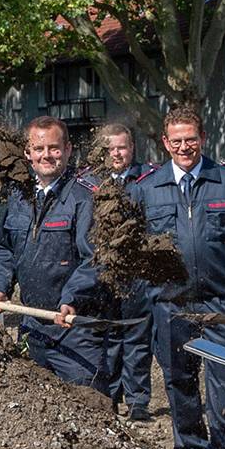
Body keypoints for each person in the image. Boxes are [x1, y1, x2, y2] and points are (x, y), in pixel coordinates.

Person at [136, 108, 225, 449]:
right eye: (176, 140)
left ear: (203, 138)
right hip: (171, 305)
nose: (184, 146)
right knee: (180, 381)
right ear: (165, 143)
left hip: (222, 304)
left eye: (190, 138)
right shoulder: (148, 187)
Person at [0, 117, 108, 389]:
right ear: (28, 153)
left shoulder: (85, 196)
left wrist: (72, 297)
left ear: (69, 149)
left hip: (75, 330)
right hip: (31, 325)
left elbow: (94, 258)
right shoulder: (19, 195)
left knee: (88, 411)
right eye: (38, 149)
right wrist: (0, 286)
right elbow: (5, 247)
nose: (46, 155)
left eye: (54, 148)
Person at [92, 122, 158, 417]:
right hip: (102, 272)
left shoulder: (148, 180)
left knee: (136, 338)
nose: (116, 153)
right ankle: (110, 396)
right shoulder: (90, 182)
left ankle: (138, 401)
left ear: (132, 148)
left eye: (122, 147)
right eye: (110, 148)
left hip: (137, 274)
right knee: (108, 337)